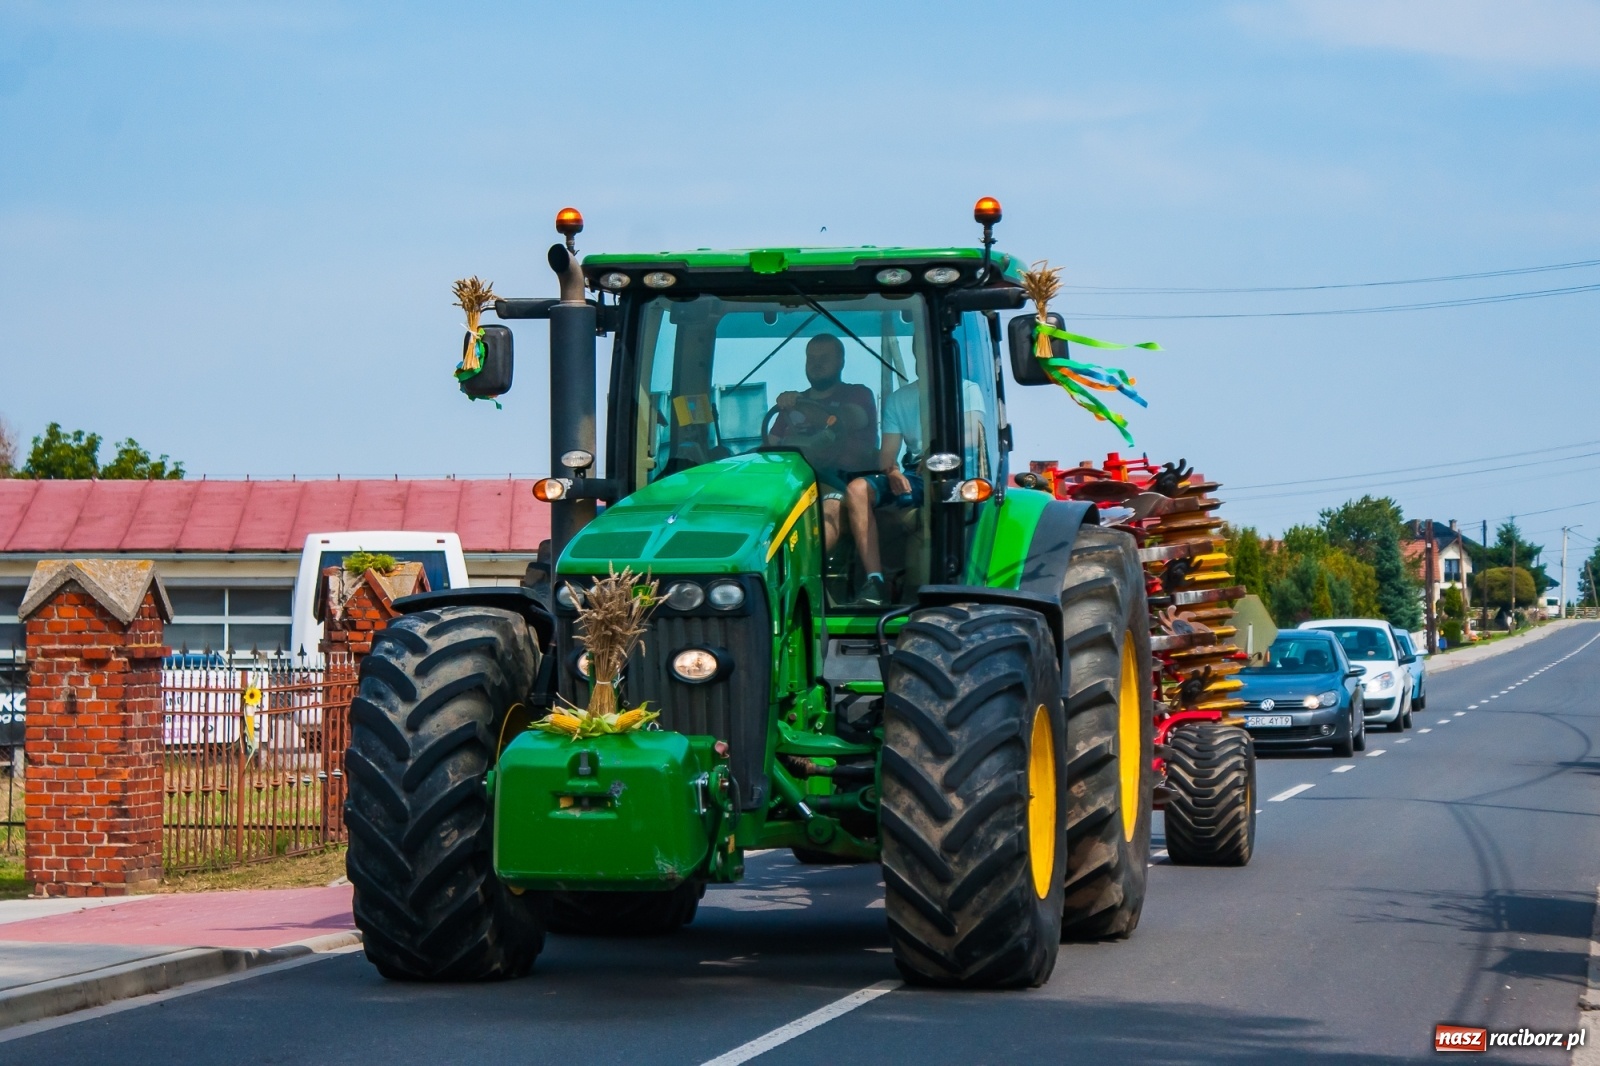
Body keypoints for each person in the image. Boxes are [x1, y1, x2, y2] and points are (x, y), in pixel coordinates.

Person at [766, 333, 878, 556]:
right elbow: (771, 447)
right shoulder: (792, 405)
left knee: (831, 506)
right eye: (811, 358)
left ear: (841, 362)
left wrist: (800, 405)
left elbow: (845, 420)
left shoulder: (857, 394)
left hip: (844, 480)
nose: (815, 364)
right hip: (793, 481)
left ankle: (808, 568)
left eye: (824, 358)